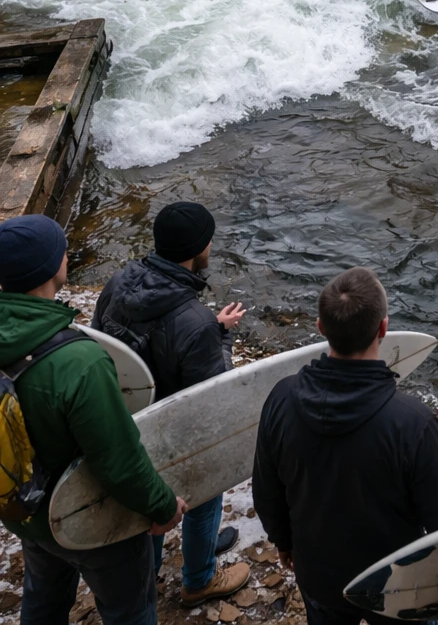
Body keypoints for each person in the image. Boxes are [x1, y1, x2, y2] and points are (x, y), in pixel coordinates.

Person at [0, 214, 187, 625]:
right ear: (50, 268)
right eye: (61, 250)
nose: (67, 255)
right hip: (86, 519)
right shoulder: (78, 362)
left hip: (24, 508)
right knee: (129, 610)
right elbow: (118, 461)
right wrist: (161, 507)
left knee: (44, 598)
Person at [252, 267, 438, 625]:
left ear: (320, 328)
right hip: (398, 586)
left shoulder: (281, 399)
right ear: (383, 329)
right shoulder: (412, 423)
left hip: (319, 576)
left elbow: (266, 489)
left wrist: (284, 543)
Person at [92, 201, 250, 607]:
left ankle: (149, 569)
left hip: (127, 420)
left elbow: (105, 346)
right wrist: (219, 337)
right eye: (208, 240)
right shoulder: (193, 321)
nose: (211, 245)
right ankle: (198, 579)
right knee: (206, 490)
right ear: (197, 250)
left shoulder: (119, 280)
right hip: (173, 429)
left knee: (151, 501)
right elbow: (215, 395)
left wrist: (209, 328)